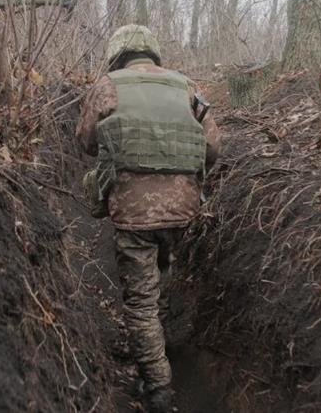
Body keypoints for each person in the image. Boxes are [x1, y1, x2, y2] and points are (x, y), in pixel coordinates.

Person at [76, 24, 221, 412]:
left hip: (134, 215)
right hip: (183, 210)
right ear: (153, 53)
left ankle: (158, 386)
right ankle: (158, 337)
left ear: (117, 53)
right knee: (164, 270)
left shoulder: (108, 85)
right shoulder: (185, 85)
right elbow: (212, 148)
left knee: (140, 301)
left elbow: (86, 143)